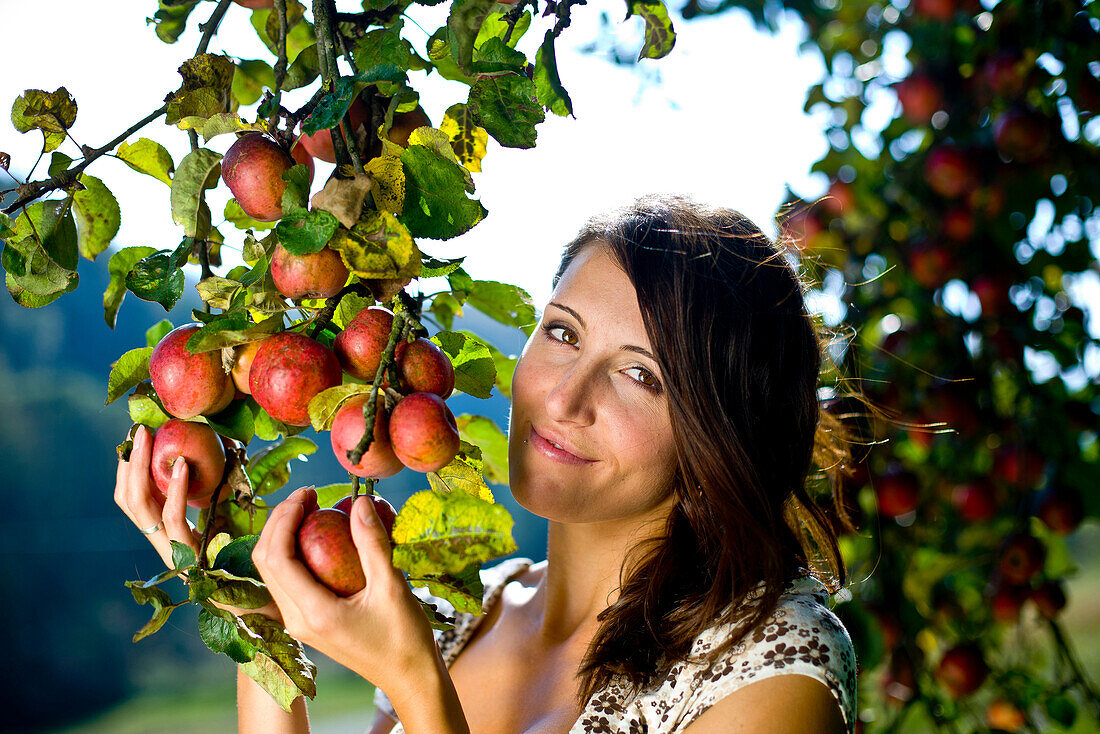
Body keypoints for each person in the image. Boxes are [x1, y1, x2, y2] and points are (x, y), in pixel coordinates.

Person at [115, 194, 859, 733]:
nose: (566, 397)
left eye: (641, 375)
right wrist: (256, 621)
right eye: (563, 334)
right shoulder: (468, 611)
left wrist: (415, 683)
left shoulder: (774, 666)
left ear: (719, 434)